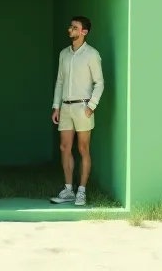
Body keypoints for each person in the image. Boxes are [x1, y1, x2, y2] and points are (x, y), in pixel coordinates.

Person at [49, 16, 104, 206]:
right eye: (70, 26)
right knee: (64, 148)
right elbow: (60, 81)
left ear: (84, 32)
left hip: (83, 107)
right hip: (65, 107)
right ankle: (68, 190)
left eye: (74, 27)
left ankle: (82, 191)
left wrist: (91, 106)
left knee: (83, 149)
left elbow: (100, 83)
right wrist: (56, 106)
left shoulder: (92, 54)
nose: (70, 29)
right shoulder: (63, 54)